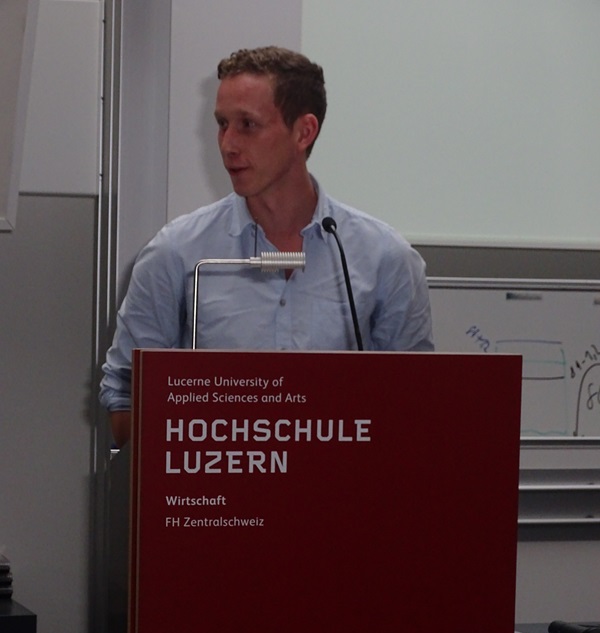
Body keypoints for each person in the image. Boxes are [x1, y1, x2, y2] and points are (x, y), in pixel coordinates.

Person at [100, 46, 434, 447]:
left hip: (342, 484)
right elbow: (124, 402)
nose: (228, 144)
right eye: (222, 124)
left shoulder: (386, 259)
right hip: (217, 484)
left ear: (304, 132)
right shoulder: (175, 254)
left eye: (248, 125)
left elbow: (415, 410)